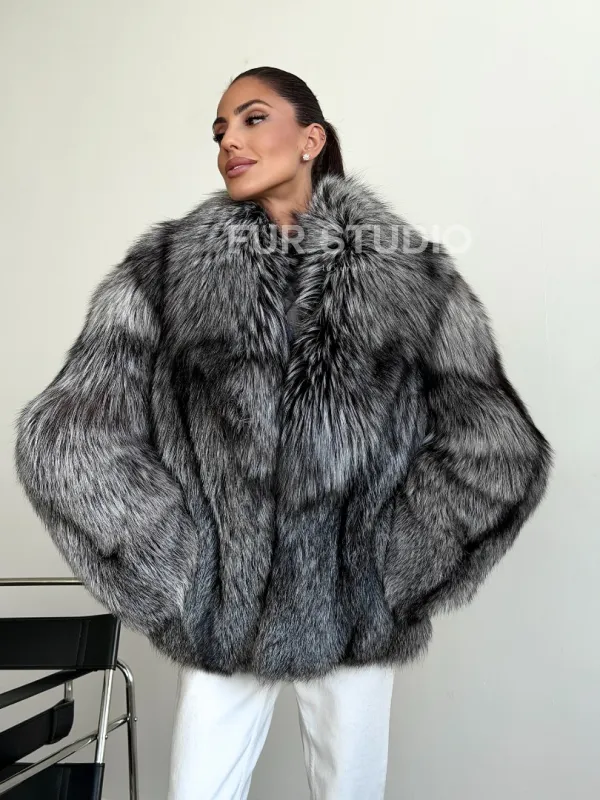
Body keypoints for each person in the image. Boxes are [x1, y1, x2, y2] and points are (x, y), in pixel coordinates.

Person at [13, 66, 553, 798]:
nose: (228, 142)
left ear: (311, 139)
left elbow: (497, 446)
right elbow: (68, 436)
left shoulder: (411, 276)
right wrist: (179, 563)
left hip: (356, 610)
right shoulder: (165, 273)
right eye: (218, 132)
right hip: (223, 609)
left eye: (252, 118)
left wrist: (395, 563)